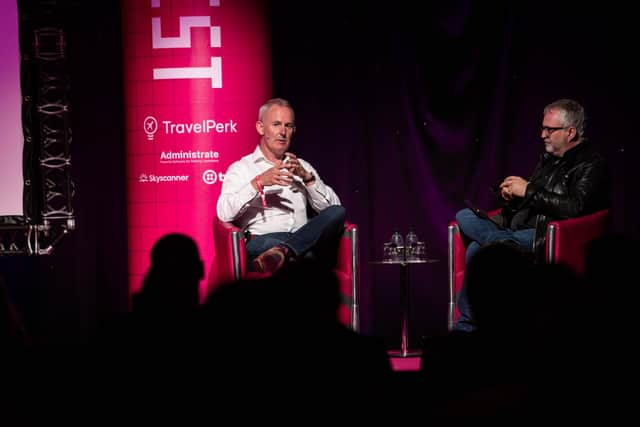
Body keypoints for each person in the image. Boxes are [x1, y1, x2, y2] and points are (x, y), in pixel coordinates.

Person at [453, 98, 611, 332]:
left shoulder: (591, 164)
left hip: (546, 235)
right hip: (517, 230)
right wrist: (512, 196)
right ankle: (499, 243)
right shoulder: (548, 161)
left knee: (477, 249)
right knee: (464, 214)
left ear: (570, 132)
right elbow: (533, 201)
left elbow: (575, 207)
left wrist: (528, 189)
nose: (542, 135)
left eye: (550, 129)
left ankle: (466, 327)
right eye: (542, 128)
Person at [216, 98, 345, 274]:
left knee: (338, 211)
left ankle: (285, 253)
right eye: (276, 124)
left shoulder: (302, 166)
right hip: (263, 241)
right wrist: (258, 183)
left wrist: (308, 180)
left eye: (288, 126)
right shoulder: (242, 168)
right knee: (306, 259)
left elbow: (331, 211)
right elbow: (223, 212)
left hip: (302, 238)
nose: (283, 132)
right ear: (261, 128)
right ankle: (291, 254)